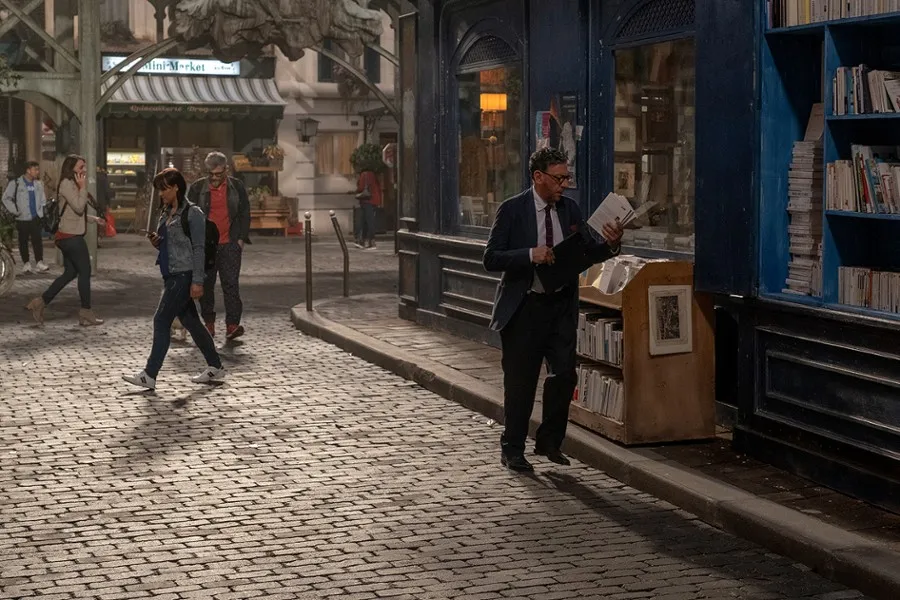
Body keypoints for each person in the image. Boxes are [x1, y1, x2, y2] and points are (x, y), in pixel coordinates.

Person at [483, 147, 624, 472]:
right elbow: (490, 258)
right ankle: (513, 449)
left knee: (564, 375)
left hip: (560, 308)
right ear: (538, 177)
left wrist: (611, 244)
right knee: (521, 383)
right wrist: (529, 254)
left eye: (567, 177)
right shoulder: (512, 210)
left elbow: (588, 252)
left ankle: (549, 442)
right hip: (524, 309)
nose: (565, 184)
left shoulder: (569, 209)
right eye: (559, 178)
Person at [124, 168, 225, 391]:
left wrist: (197, 281)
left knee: (161, 320)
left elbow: (198, 248)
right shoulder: (166, 212)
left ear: (176, 187)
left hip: (184, 276)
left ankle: (150, 374)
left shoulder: (193, 213)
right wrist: (157, 242)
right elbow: (172, 245)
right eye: (159, 189)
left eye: (164, 189)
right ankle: (215, 365)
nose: (161, 193)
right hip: (170, 274)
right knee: (191, 323)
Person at [25, 155, 104, 326]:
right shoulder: (66, 184)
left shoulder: (72, 184)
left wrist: (94, 219)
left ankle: (40, 302)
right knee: (85, 272)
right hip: (71, 238)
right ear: (71, 168)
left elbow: (73, 213)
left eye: (84, 167)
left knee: (70, 273)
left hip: (70, 235)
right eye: (81, 167)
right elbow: (79, 206)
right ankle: (86, 312)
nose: (84, 170)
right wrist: (83, 187)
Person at [186, 151, 250, 341]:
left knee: (231, 284)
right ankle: (209, 324)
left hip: (230, 243)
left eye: (218, 174)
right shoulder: (197, 188)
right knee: (206, 285)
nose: (214, 178)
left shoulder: (236, 187)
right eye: (211, 174)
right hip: (206, 246)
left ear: (226, 170)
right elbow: (188, 215)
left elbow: (244, 213)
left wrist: (241, 238)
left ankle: (232, 325)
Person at [1, 161, 49, 274]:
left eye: (37, 169)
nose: (37, 172)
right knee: (23, 241)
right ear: (28, 170)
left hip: (35, 217)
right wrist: (15, 210)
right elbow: (6, 198)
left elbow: (42, 199)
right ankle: (26, 263)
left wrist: (41, 213)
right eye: (35, 169)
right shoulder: (16, 183)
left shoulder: (38, 184)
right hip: (22, 218)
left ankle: (39, 262)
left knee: (37, 240)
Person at [354, 168, 381, 249]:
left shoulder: (364, 174)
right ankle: (363, 240)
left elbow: (361, 187)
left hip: (367, 200)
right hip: (374, 200)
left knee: (368, 221)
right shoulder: (373, 174)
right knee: (366, 221)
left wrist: (357, 190)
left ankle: (371, 241)